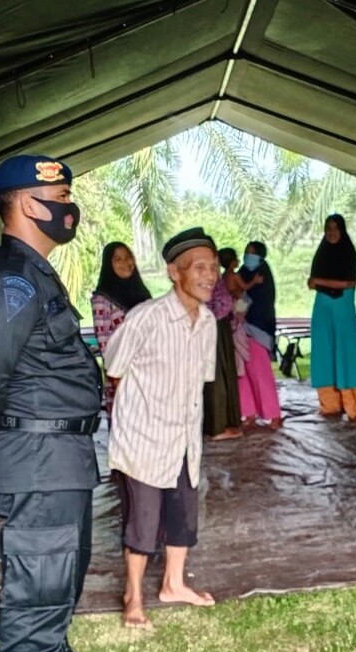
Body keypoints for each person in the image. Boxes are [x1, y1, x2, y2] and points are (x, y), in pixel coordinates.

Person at [0, 154, 124, 652]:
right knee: (38, 577)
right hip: (37, 452)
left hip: (64, 452)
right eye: (62, 194)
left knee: (64, 567)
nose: (69, 205)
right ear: (29, 204)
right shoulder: (13, 281)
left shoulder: (36, 273)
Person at [104, 227, 219, 630]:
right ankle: (133, 595)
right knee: (143, 521)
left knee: (183, 514)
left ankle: (173, 584)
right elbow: (113, 365)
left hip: (184, 439)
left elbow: (200, 380)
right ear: (174, 272)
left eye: (214, 267)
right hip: (144, 439)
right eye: (199, 268)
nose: (209, 276)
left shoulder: (207, 322)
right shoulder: (147, 317)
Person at [307, 214, 356, 421]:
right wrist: (327, 284)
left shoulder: (348, 254)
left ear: (342, 230)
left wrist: (321, 282)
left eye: (335, 228)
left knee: (346, 354)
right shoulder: (322, 253)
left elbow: (347, 282)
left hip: (342, 309)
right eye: (328, 229)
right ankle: (330, 404)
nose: (331, 233)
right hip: (323, 308)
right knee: (324, 354)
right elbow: (311, 283)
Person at [91, 240, 152, 430]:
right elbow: (105, 343)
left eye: (128, 257)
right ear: (108, 265)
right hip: (124, 377)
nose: (125, 262)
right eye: (117, 259)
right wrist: (118, 378)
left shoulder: (142, 294)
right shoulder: (103, 299)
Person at [235, 245, 283, 430]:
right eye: (246, 252)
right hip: (241, 329)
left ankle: (273, 415)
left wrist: (243, 308)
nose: (249, 257)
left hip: (258, 329)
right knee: (243, 373)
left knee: (261, 373)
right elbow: (240, 293)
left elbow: (255, 300)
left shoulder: (263, 276)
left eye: (252, 253)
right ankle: (249, 412)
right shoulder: (245, 274)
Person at [203, 246, 244, 440]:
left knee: (224, 376)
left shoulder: (218, 279)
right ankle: (217, 427)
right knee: (216, 377)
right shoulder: (210, 279)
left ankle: (224, 423)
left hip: (223, 327)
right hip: (213, 327)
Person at [241, 240, 278, 358]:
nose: (246, 256)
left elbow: (248, 295)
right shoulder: (244, 271)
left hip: (261, 319)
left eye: (249, 253)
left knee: (258, 355)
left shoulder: (262, 272)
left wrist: (239, 310)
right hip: (246, 320)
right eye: (245, 252)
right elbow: (241, 294)